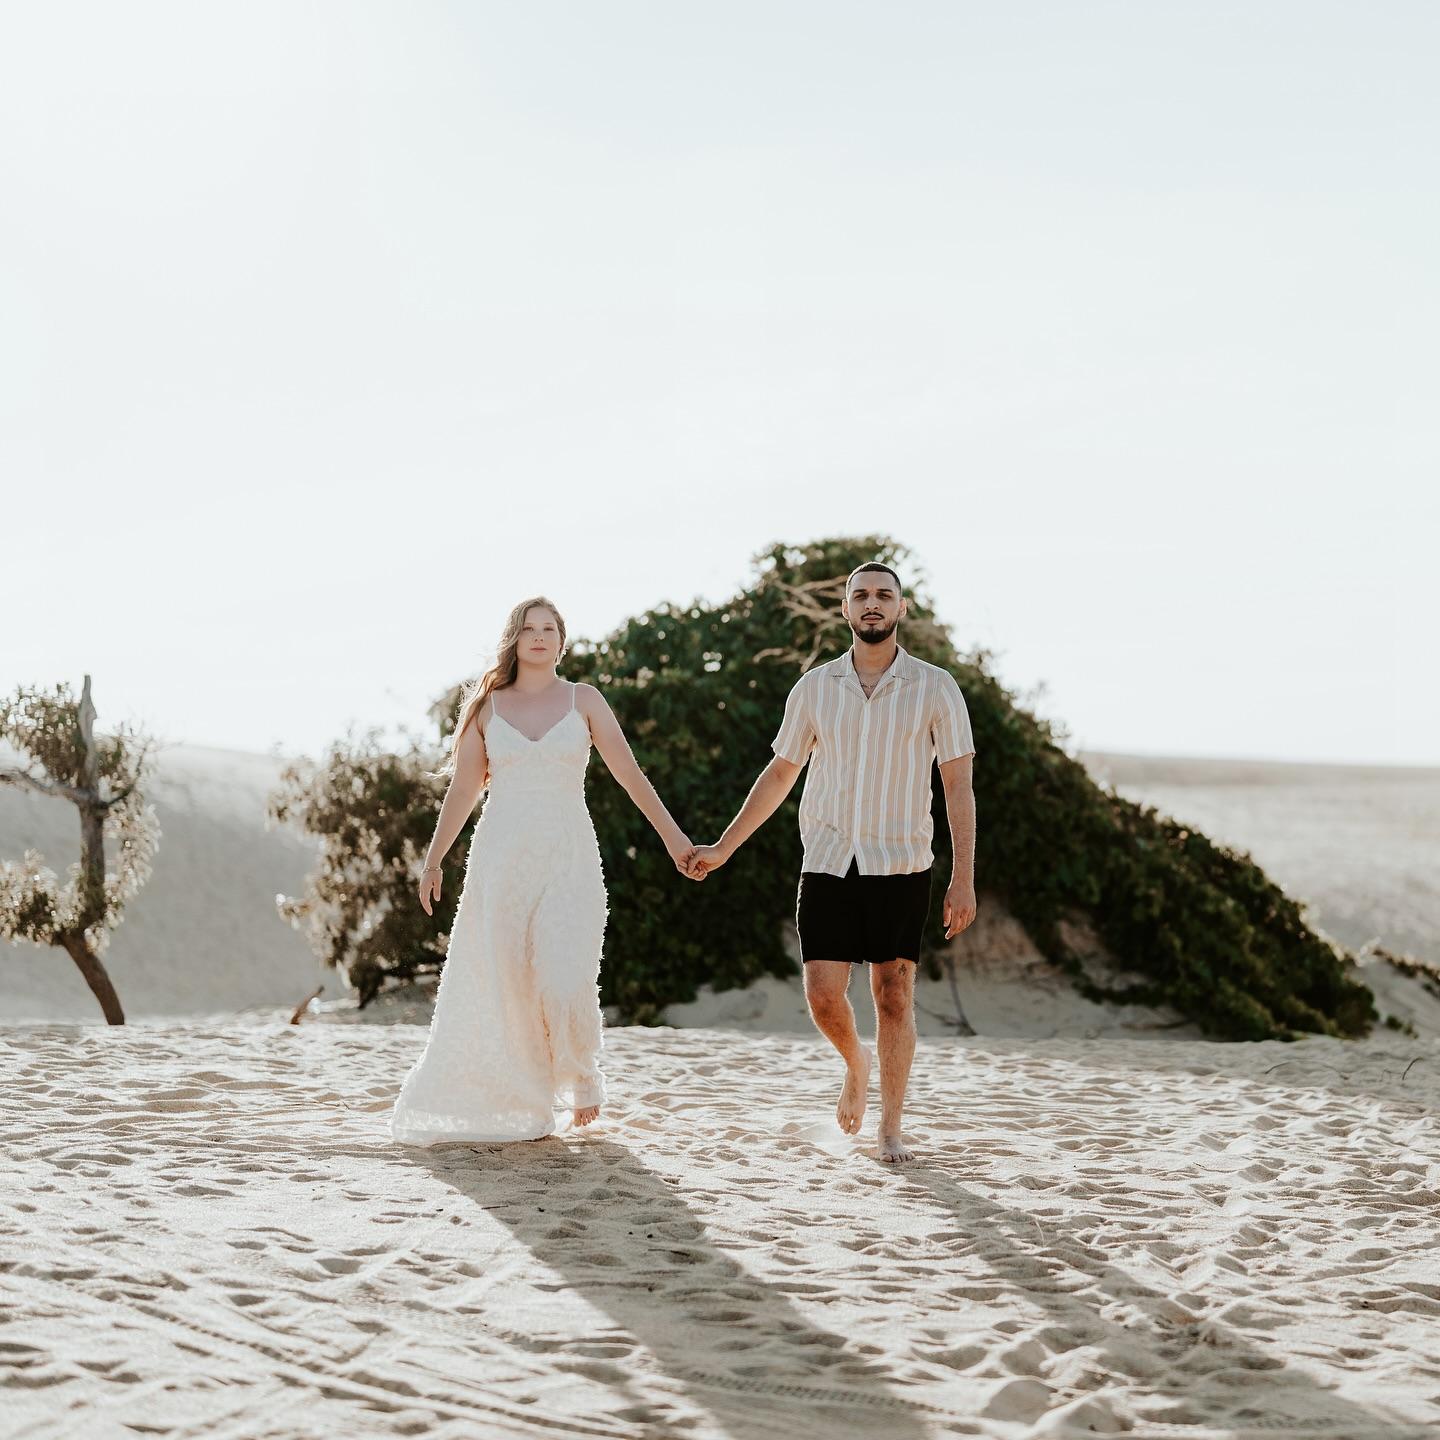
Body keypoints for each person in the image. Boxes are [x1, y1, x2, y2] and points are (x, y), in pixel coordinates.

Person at [684, 562, 977, 1163]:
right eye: (861, 595)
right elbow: (780, 773)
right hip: (828, 859)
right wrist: (723, 846)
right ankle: (855, 1062)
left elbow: (958, 784)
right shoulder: (814, 688)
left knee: (893, 995)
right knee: (822, 996)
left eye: (883, 596)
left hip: (901, 861)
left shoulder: (936, 687)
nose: (872, 604)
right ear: (844, 609)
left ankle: (890, 1126)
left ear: (900, 609)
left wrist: (964, 875)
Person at [390, 595, 698, 1146]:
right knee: (510, 984)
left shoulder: (585, 701)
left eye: (548, 628)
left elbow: (629, 774)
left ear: (562, 639)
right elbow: (463, 789)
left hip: (568, 855)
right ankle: (530, 1102)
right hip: (501, 862)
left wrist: (676, 841)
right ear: (515, 637)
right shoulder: (486, 707)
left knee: (564, 972)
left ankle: (583, 1078)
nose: (539, 637)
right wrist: (434, 859)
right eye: (529, 628)